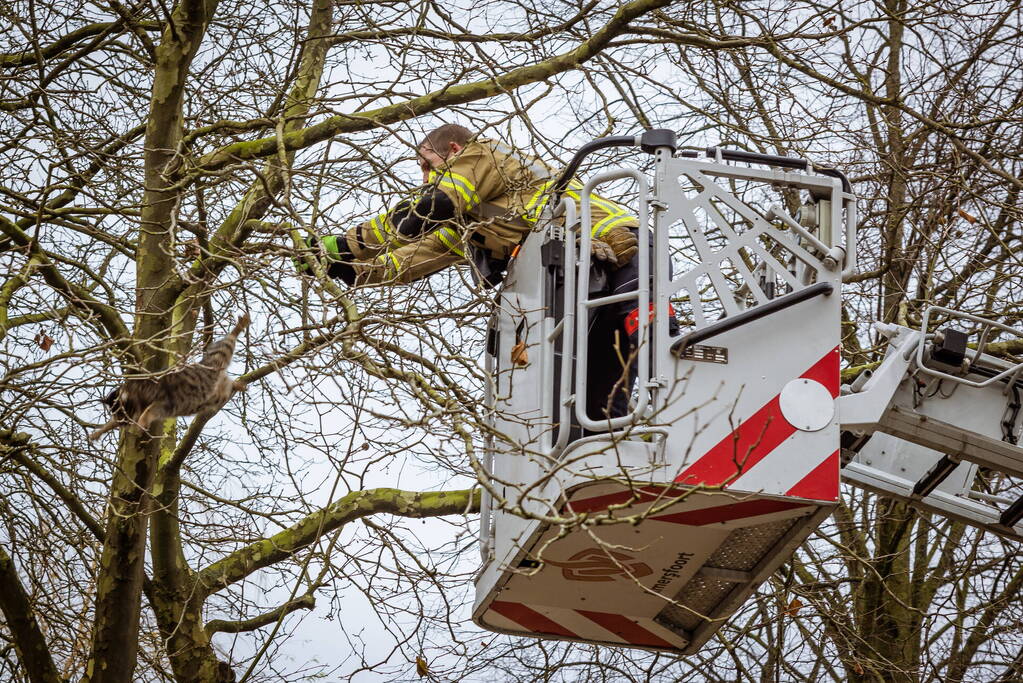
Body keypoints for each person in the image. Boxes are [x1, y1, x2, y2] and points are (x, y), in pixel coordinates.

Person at [298, 123, 658, 421]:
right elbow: (408, 261)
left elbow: (426, 209)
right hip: (576, 274)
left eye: (426, 164)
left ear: (453, 150)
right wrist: (338, 266)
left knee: (646, 332)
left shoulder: (481, 154)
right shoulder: (477, 221)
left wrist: (342, 243)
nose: (424, 176)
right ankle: (616, 446)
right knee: (600, 388)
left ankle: (669, 403)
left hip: (621, 243)